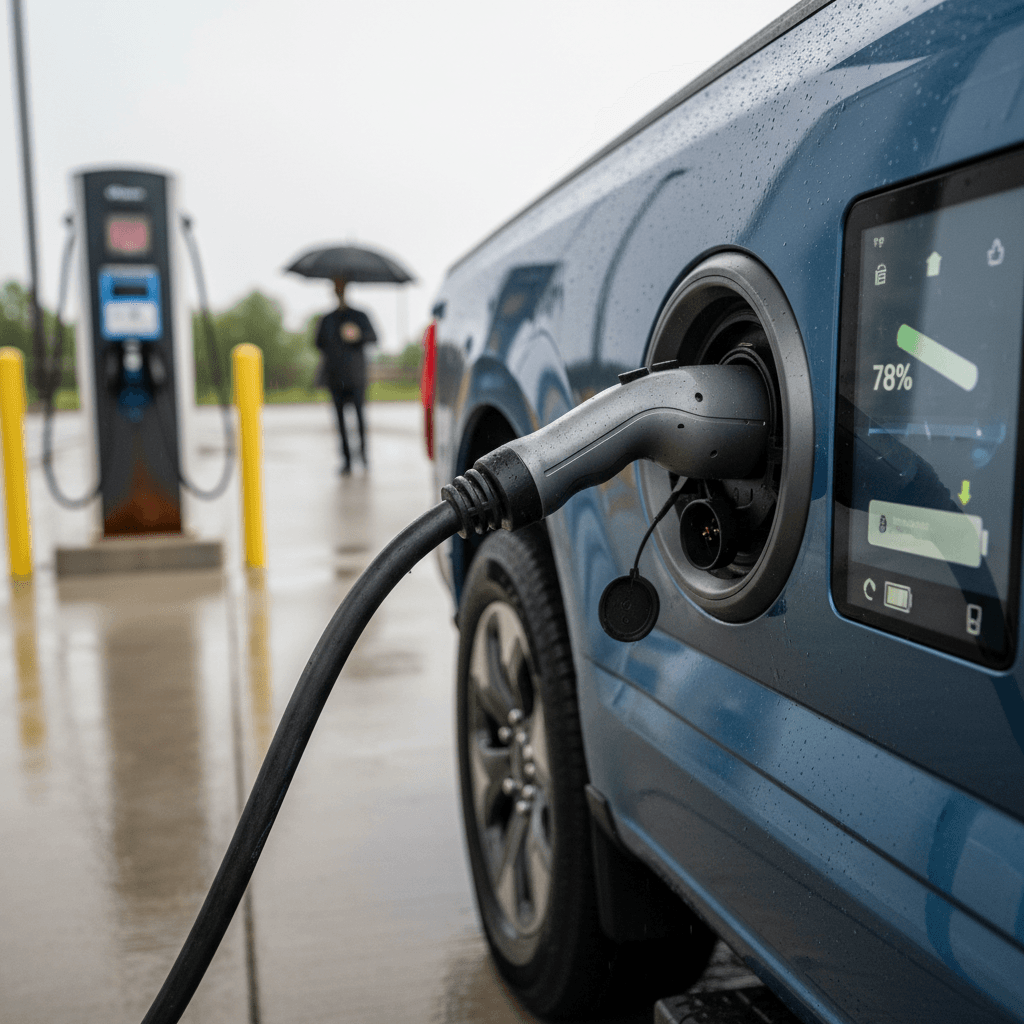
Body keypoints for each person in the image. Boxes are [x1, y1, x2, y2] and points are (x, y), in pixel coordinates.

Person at [315, 278, 377, 473]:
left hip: (356, 377)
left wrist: (357, 335)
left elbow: (374, 337)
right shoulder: (327, 319)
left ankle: (364, 457)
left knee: (360, 418)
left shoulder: (359, 316)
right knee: (339, 421)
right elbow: (318, 343)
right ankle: (346, 460)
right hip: (335, 377)